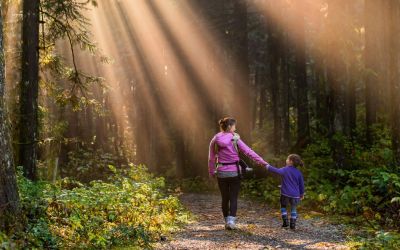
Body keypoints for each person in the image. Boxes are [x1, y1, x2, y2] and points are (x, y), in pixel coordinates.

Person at [208, 117, 268, 230]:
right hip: (234, 172)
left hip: (221, 173)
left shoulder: (215, 139)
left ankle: (226, 221)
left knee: (225, 198)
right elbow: (248, 152)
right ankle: (231, 222)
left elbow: (211, 158)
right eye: (234, 125)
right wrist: (262, 162)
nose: (235, 128)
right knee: (233, 197)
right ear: (230, 126)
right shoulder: (234, 138)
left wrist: (211, 171)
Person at [265, 154, 305, 230]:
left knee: (283, 207)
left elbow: (276, 171)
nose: (286, 160)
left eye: (287, 159)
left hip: (285, 194)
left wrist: (267, 166)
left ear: (290, 161)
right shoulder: (299, 173)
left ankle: (285, 222)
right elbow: (301, 185)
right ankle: (292, 224)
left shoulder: (285, 169)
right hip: (295, 195)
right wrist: (302, 194)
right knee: (293, 208)